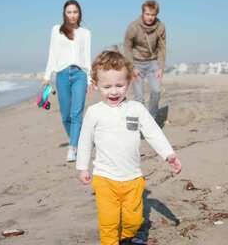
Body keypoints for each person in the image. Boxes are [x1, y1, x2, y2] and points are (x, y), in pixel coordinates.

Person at [76, 51, 182, 245]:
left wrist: (168, 154)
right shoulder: (94, 112)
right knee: (108, 223)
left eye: (119, 85)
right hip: (104, 178)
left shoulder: (136, 109)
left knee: (133, 221)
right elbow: (84, 141)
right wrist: (82, 167)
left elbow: (153, 133)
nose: (114, 91)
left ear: (129, 82)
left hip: (133, 178)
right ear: (96, 84)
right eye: (107, 86)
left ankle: (126, 236)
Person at [43, 0, 91, 162]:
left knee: (76, 113)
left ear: (79, 14)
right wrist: (46, 76)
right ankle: (80, 141)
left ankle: (73, 148)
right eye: (69, 12)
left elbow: (87, 57)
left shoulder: (85, 33)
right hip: (61, 75)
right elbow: (52, 53)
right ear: (64, 13)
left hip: (79, 75)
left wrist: (89, 80)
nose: (72, 15)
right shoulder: (56, 30)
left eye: (75, 12)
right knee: (65, 116)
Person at [123, 0, 167, 119]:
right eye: (147, 14)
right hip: (136, 63)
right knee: (139, 98)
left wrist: (160, 68)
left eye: (153, 15)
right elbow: (127, 47)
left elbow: (162, 48)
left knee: (157, 91)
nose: (150, 17)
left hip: (153, 63)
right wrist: (131, 67)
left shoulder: (160, 27)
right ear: (143, 13)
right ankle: (141, 123)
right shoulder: (133, 27)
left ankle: (151, 119)